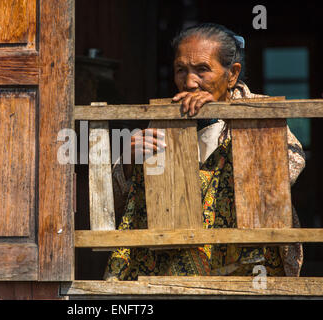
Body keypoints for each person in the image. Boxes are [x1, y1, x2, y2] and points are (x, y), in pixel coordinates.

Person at [104, 23, 306, 281]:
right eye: (181, 70)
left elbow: (288, 169)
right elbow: (120, 199)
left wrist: (225, 114)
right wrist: (129, 160)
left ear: (232, 74)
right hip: (173, 261)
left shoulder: (258, 112)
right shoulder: (163, 118)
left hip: (246, 261)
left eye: (202, 70)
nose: (189, 82)